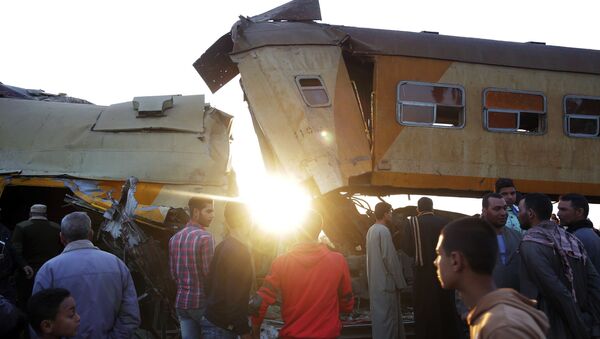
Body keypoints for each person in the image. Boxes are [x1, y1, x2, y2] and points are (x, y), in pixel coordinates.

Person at [435, 217, 549, 338]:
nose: (435, 262)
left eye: (439, 254)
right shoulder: (492, 317)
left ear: (456, 260)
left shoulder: (503, 328)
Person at [32, 212, 140, 338]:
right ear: (91, 234)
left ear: (61, 237)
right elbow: (130, 316)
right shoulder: (117, 265)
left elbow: (38, 320)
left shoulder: (48, 270)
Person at [250, 210, 354, 339]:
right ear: (319, 229)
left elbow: (260, 301)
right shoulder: (338, 261)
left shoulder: (281, 263)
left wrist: (254, 332)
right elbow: (347, 302)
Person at [519, 193, 600, 339]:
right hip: (580, 319)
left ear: (530, 214)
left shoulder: (531, 244)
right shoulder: (571, 239)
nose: (518, 215)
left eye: (520, 210)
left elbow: (556, 291)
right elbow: (594, 284)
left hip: (553, 325)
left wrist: (580, 328)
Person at [402, 197, 459, 339]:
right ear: (432, 208)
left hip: (422, 275)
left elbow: (407, 248)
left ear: (418, 209)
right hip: (443, 274)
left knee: (425, 310)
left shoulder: (412, 223)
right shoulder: (445, 223)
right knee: (445, 307)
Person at [203, 202, 253, 339]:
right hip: (222, 327)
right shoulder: (240, 252)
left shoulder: (222, 246)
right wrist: (244, 332)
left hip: (212, 319)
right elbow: (235, 298)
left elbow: (208, 283)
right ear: (246, 220)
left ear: (227, 221)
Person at [169, 197, 215, 339]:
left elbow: (173, 274)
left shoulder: (174, 238)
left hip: (181, 304)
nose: (212, 215)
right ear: (196, 212)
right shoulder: (206, 238)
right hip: (200, 303)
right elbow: (210, 275)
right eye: (209, 211)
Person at [366, 202, 407, 339]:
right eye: (390, 211)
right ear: (385, 213)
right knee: (389, 324)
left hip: (376, 284)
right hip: (386, 284)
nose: (391, 214)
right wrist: (400, 283)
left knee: (380, 322)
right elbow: (390, 259)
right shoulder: (383, 231)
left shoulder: (371, 230)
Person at [12, 204, 60, 308]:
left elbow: (15, 251)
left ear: (30, 214)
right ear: (46, 214)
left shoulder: (21, 226)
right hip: (51, 272)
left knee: (26, 303)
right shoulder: (57, 227)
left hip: (28, 273)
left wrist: (23, 265)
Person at [481, 193, 522, 291]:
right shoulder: (472, 237)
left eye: (504, 208)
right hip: (484, 300)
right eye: (497, 209)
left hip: (513, 299)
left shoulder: (517, 236)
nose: (503, 212)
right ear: (484, 211)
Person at [558, 193, 600, 274]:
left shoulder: (577, 238)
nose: (558, 214)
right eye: (559, 209)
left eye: (563, 209)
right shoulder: (590, 234)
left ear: (579, 212)